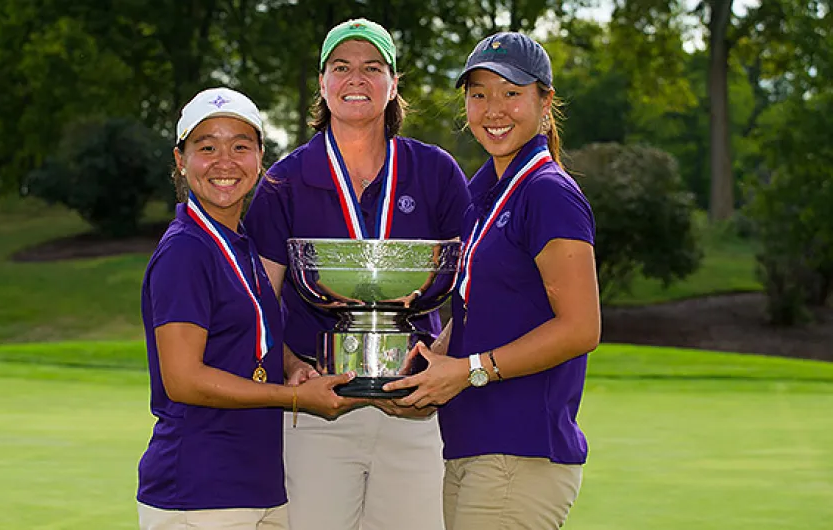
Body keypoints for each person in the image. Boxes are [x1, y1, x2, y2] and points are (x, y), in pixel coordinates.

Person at [244, 18, 471, 530]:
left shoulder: (435, 171)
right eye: (341, 67)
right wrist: (287, 366)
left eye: (373, 68)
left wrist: (440, 363)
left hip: (415, 406)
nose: (356, 79)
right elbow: (258, 301)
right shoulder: (284, 180)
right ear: (322, 83)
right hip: (319, 409)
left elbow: (472, 287)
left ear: (394, 84)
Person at [384, 32, 602, 530]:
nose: (492, 109)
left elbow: (581, 328)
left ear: (545, 102)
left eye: (511, 92)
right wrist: (436, 363)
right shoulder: (483, 193)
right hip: (472, 444)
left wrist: (467, 371)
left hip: (520, 453)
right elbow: (478, 309)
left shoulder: (548, 194)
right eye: (479, 93)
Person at [136, 87, 359, 530]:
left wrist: (291, 365)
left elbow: (252, 341)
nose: (225, 161)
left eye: (240, 146)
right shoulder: (186, 251)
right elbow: (182, 379)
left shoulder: (243, 248)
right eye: (207, 147)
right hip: (199, 491)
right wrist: (294, 397)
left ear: (259, 158)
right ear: (181, 160)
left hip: (258, 486)